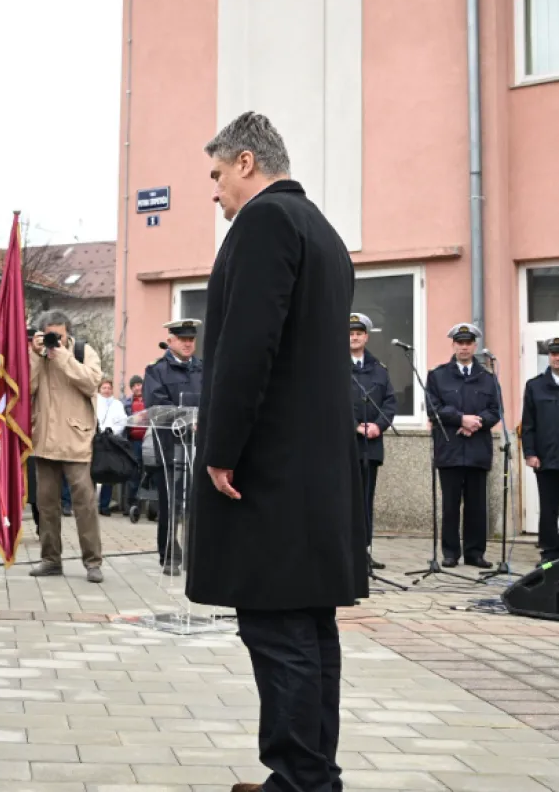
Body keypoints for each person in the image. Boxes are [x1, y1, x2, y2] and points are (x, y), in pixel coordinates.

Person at [188, 111, 365, 792]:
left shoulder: (263, 223)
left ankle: (297, 782)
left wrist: (222, 447)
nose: (213, 191)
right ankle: (311, 773)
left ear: (244, 162)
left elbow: (245, 347)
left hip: (271, 467)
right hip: (314, 466)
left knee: (277, 630)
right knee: (308, 629)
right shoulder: (321, 230)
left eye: (214, 175)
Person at [28, 309, 104, 582]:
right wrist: (35, 356)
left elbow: (91, 382)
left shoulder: (83, 351)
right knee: (46, 504)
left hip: (76, 439)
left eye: (58, 335)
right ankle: (50, 559)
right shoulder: (35, 354)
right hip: (44, 439)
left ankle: (93, 562)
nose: (53, 340)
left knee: (85, 503)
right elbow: (25, 389)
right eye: (49, 335)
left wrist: (62, 356)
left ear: (67, 332)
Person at [426, 323, 500, 569]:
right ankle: (450, 552)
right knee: (450, 505)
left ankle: (475, 553)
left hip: (478, 449)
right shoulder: (438, 375)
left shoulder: (487, 377)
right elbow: (433, 408)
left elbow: (495, 410)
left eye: (468, 343)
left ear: (475, 346)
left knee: (477, 506)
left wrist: (476, 423)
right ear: (454, 345)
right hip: (450, 448)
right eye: (460, 342)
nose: (465, 347)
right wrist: (460, 419)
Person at [144, 319, 203, 574]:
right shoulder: (156, 371)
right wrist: (187, 420)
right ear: (170, 342)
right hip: (170, 450)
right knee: (171, 506)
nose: (188, 343)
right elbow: (156, 407)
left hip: (198, 450)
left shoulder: (203, 369)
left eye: (191, 339)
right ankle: (169, 555)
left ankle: (194, 556)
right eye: (182, 339)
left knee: (196, 506)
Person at [349, 312, 396, 571]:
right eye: (350, 333)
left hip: (371, 447)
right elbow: (330, 403)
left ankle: (364, 552)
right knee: (346, 501)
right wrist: (353, 426)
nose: (354, 337)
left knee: (366, 501)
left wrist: (378, 426)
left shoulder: (379, 370)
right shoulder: (334, 368)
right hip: (345, 446)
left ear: (366, 337)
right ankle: (346, 552)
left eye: (358, 333)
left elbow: (390, 402)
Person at [523, 337, 559, 566]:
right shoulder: (535, 386)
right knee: (548, 507)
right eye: (554, 354)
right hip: (546, 458)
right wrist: (530, 453)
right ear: (549, 356)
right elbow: (528, 424)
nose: (557, 358)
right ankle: (550, 552)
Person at [95, 378, 127, 516]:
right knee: (93, 472)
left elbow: (123, 421)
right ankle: (90, 505)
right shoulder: (94, 401)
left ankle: (104, 505)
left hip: (111, 441)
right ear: (99, 389)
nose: (107, 390)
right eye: (104, 388)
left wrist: (111, 431)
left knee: (108, 473)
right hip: (96, 440)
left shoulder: (117, 404)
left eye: (109, 388)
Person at [123, 374, 147, 518]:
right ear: (132, 388)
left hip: (148, 441)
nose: (138, 387)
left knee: (149, 473)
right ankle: (131, 505)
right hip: (134, 442)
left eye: (139, 384)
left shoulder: (150, 401)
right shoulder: (126, 403)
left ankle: (151, 508)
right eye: (135, 385)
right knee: (134, 474)